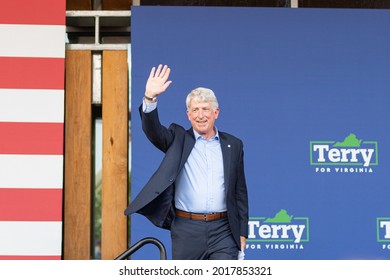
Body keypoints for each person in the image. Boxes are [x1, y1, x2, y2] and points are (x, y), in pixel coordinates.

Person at [124, 64, 248, 260]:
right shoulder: (177, 139)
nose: (200, 115)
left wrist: (242, 232)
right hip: (186, 229)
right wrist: (150, 97)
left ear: (216, 113)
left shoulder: (234, 144)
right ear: (188, 115)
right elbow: (153, 130)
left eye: (206, 109)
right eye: (195, 110)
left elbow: (239, 191)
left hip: (223, 229)